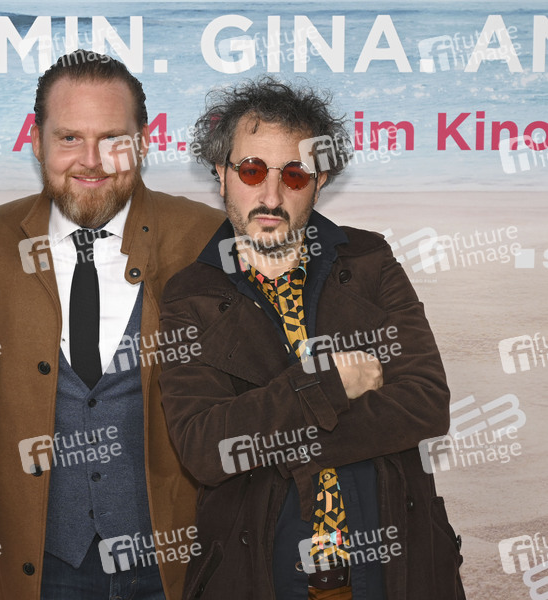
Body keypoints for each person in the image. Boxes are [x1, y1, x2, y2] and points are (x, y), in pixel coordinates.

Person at [157, 77, 466, 600]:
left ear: (319, 180)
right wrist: (329, 385)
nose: (271, 195)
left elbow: (425, 403)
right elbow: (207, 449)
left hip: (394, 575)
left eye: (295, 174)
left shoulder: (369, 260)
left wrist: (277, 440)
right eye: (252, 170)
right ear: (221, 173)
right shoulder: (190, 295)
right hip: (264, 579)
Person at [0, 50, 225, 600]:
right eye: (69, 138)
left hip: (177, 564)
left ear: (144, 143)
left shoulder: (209, 238)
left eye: (113, 139)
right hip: (45, 567)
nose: (92, 161)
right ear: (36, 142)